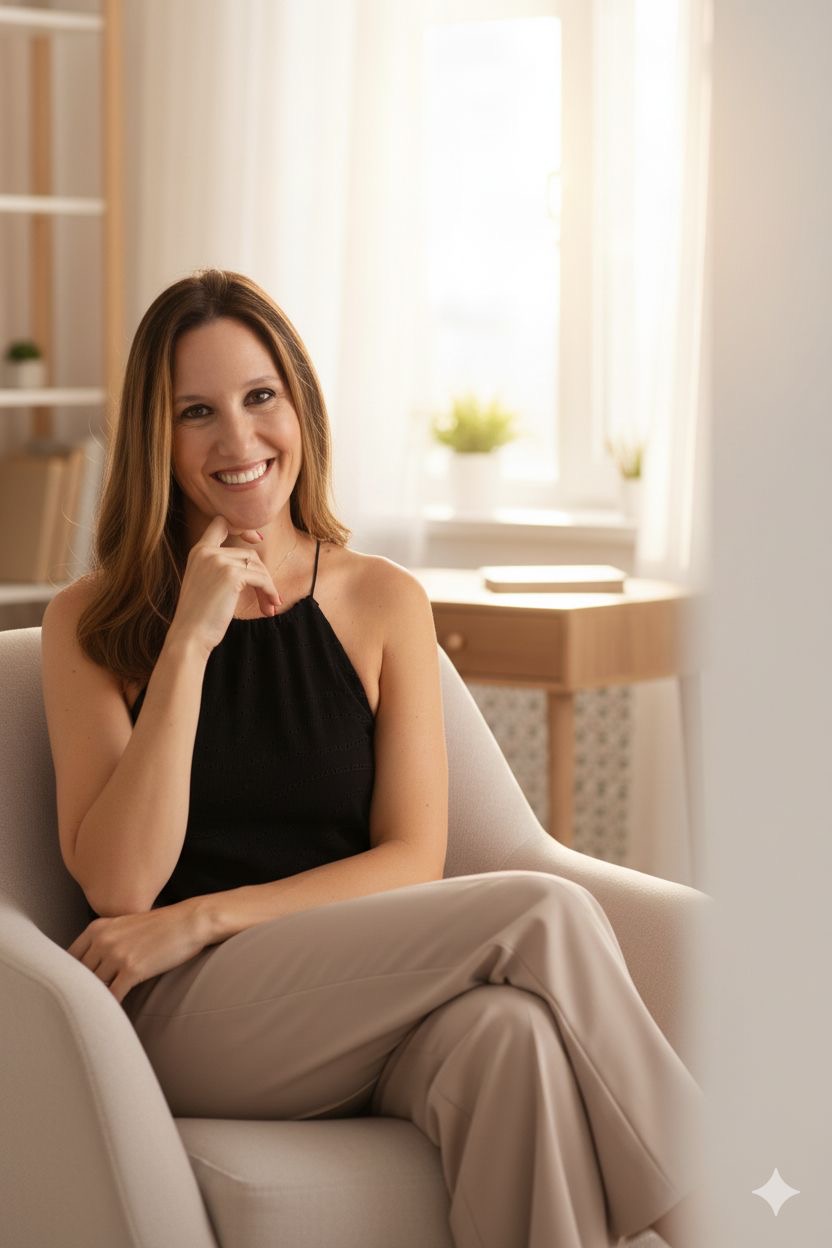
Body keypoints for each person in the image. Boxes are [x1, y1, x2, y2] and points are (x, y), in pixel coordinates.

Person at [40, 268, 703, 1248]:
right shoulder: (92, 622)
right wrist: (188, 642)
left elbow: (410, 858)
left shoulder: (384, 600)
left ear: (300, 406)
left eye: (260, 397)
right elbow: (121, 886)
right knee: (543, 908)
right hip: (185, 1017)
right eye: (196, 412)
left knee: (509, 1039)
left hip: (352, 993)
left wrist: (204, 917)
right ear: (155, 437)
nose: (239, 440)